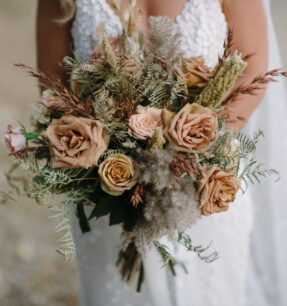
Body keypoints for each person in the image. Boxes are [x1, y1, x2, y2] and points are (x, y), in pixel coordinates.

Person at [36, 0, 287, 305]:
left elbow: (252, 71)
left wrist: (194, 150)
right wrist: (107, 157)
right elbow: (52, 89)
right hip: (106, 192)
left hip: (206, 187)